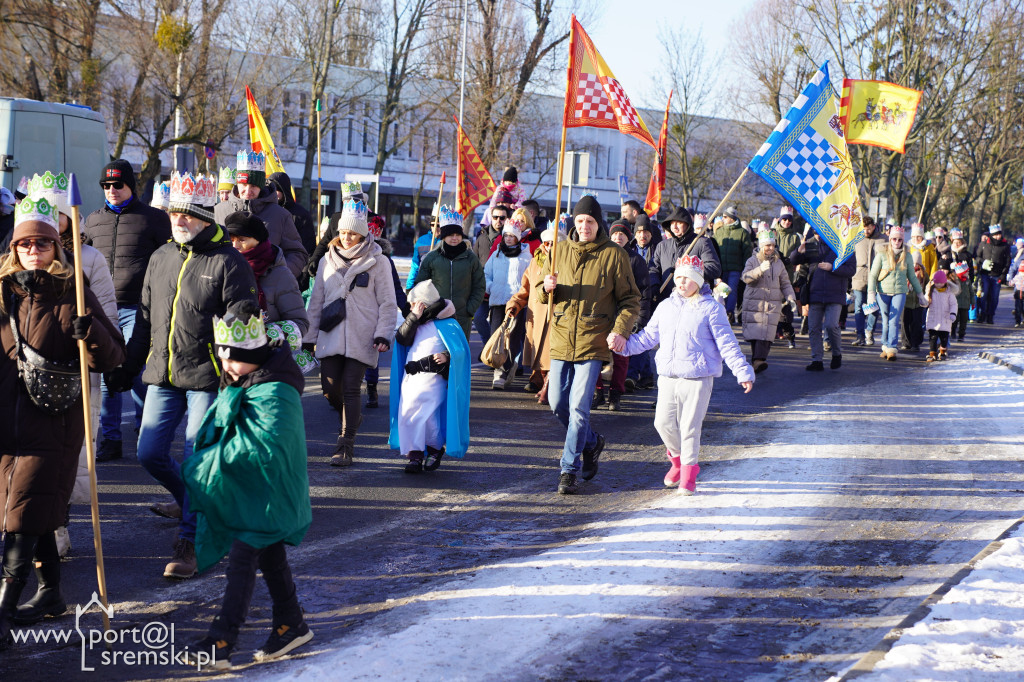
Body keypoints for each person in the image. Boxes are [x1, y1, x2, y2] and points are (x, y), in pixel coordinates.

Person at [104, 171, 258, 579]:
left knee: (196, 460)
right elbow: (144, 321)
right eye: (174, 212)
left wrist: (236, 367)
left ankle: (190, 542)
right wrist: (126, 367)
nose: (179, 220)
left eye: (188, 214)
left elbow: (243, 319)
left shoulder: (229, 262)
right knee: (148, 452)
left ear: (207, 218)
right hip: (163, 374)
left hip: (208, 377)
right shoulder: (161, 257)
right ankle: (192, 501)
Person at [0, 195, 125, 650]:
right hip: (6, 421)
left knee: (23, 516)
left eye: (44, 243)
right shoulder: (2, 292)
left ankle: (4, 612)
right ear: (14, 248)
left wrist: (89, 333)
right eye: (26, 243)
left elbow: (114, 357)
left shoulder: (73, 293)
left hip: (53, 421)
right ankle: (51, 592)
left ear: (57, 247)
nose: (34, 251)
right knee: (29, 510)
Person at [182, 302, 313, 670]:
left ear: (255, 355)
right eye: (224, 361)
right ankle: (292, 624)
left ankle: (222, 640)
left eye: (234, 360)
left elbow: (265, 448)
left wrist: (209, 462)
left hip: (269, 491)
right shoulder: (245, 379)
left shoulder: (276, 392)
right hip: (254, 493)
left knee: (242, 560)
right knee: (269, 555)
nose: (227, 368)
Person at [30, 171, 118, 555]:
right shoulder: (19, 255)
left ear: (69, 217)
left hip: (71, 373)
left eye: (58, 213)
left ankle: (58, 528)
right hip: (26, 375)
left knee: (68, 454)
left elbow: (108, 317)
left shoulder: (89, 258)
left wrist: (91, 332)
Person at [619, 255, 754, 494]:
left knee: (690, 426)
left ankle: (689, 476)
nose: (681, 283)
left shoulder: (711, 308)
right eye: (678, 278)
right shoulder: (665, 306)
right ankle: (677, 462)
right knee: (662, 423)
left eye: (688, 278)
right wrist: (625, 346)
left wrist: (742, 371)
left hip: (698, 378)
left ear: (698, 280)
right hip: (669, 376)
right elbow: (649, 337)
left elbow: (727, 343)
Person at [539, 195, 640, 494]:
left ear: (599, 225)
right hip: (560, 337)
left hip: (593, 339)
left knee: (579, 407)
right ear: (574, 222)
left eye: (591, 222)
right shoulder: (558, 250)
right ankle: (592, 443)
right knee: (558, 403)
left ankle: (568, 469)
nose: (585, 226)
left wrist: (621, 330)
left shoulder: (614, 255)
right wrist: (547, 288)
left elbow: (630, 299)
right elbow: (542, 293)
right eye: (580, 221)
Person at [83, 159, 172, 463]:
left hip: (139, 307)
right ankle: (110, 438)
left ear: (130, 186)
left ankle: (147, 432)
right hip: (103, 307)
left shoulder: (155, 219)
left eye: (117, 185)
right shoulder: (93, 221)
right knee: (107, 371)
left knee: (134, 371)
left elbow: (169, 259)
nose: (111, 190)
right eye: (106, 186)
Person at [303, 198, 397, 467]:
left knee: (353, 389)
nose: (346, 238)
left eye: (352, 233)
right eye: (342, 232)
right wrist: (310, 337)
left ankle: (345, 445)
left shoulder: (379, 262)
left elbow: (388, 302)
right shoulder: (326, 260)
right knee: (331, 388)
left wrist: (383, 334)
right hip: (330, 333)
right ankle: (352, 418)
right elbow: (317, 300)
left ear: (363, 233)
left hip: (363, 334)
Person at [389, 280, 471, 474]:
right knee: (408, 414)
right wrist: (413, 317)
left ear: (423, 304)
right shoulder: (415, 322)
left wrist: (447, 356)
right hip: (411, 378)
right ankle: (414, 455)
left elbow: (460, 352)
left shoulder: (448, 324)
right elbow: (402, 338)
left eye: (414, 304)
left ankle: (434, 450)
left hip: (434, 380)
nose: (411, 307)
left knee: (429, 417)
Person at [213, 151, 308, 279]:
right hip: (224, 286)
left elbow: (297, 253)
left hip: (266, 290)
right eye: (244, 185)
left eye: (253, 186)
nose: (247, 191)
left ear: (261, 185)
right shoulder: (218, 211)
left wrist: (280, 275)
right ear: (237, 183)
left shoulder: (280, 215)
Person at [224, 211, 309, 342]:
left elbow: (300, 323)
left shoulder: (280, 275)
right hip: (225, 354)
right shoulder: (222, 269)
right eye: (231, 240)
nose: (235, 246)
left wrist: (265, 334)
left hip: (268, 356)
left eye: (242, 240)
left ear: (258, 240)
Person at [595, 221, 649, 410]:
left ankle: (616, 394)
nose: (618, 238)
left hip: (623, 315)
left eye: (622, 235)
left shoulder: (636, 260)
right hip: (602, 313)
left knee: (620, 356)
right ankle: (597, 392)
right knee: (596, 355)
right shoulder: (601, 255)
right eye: (615, 234)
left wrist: (636, 319)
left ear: (629, 238)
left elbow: (642, 293)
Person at [506, 225, 563, 400]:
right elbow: (525, 289)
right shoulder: (534, 262)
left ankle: (548, 387)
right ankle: (537, 378)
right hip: (536, 315)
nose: (550, 246)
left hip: (556, 315)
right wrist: (515, 303)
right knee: (537, 349)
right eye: (547, 243)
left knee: (551, 352)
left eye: (555, 243)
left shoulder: (567, 263)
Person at [414, 207, 486, 341]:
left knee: (459, 353)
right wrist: (430, 309)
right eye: (450, 235)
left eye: (457, 235)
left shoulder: (471, 259)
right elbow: (421, 285)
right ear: (444, 236)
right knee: (437, 354)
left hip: (462, 317)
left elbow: (479, 285)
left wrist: (469, 309)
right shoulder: (432, 258)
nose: (455, 238)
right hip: (437, 316)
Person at [790, 231, 856, 371]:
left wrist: (832, 268)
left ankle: (837, 354)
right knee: (813, 327)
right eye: (815, 231)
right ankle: (817, 360)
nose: (817, 234)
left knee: (831, 325)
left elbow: (851, 269)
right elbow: (793, 261)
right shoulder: (812, 245)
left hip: (835, 294)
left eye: (819, 231)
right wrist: (799, 250)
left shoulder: (843, 246)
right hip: (815, 293)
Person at [364, 212, 410, 409]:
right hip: (353, 310)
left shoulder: (385, 261)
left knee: (371, 351)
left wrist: (408, 311)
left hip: (375, 312)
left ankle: (372, 387)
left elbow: (395, 290)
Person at [484, 217, 532, 390]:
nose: (509, 239)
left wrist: (522, 296)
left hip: (517, 303)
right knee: (496, 336)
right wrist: (491, 287)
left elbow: (530, 279)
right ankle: (501, 369)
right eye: (506, 236)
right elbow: (486, 274)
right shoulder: (497, 253)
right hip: (497, 302)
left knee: (511, 339)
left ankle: (503, 372)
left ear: (518, 237)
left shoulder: (527, 257)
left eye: (512, 236)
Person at [740, 231, 796, 373]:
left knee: (767, 334)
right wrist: (759, 270)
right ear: (761, 245)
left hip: (772, 303)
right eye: (767, 245)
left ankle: (759, 360)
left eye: (772, 245)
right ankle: (757, 360)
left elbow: (785, 283)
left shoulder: (779, 263)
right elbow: (746, 278)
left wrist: (790, 297)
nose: (770, 248)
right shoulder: (752, 261)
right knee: (757, 333)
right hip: (755, 303)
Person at [868, 225, 925, 361]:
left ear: (902, 240)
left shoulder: (908, 256)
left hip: (899, 292)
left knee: (894, 321)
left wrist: (920, 294)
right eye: (894, 239)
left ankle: (892, 348)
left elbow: (912, 276)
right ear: (890, 238)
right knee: (886, 320)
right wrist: (871, 293)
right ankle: (885, 344)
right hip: (882, 292)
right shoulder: (881, 254)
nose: (896, 242)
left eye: (899, 240)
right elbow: (873, 275)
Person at [652, 206, 722, 305]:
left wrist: (688, 271)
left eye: (679, 223)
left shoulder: (702, 242)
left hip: (694, 301)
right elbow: (654, 268)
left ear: (687, 224)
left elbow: (714, 268)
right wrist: (654, 285)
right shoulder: (662, 246)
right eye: (672, 223)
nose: (675, 226)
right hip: (668, 300)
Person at [625, 216, 658, 391]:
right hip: (632, 299)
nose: (642, 235)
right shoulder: (629, 251)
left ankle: (632, 375)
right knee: (636, 336)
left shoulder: (657, 250)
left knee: (642, 336)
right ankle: (646, 376)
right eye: (639, 231)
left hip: (651, 299)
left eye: (645, 231)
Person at [471, 203, 508, 343]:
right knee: (479, 318)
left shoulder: (510, 237)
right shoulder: (482, 236)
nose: (499, 220)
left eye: (502, 218)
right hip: (483, 287)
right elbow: (474, 261)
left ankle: (495, 353)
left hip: (502, 288)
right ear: (490, 218)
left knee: (496, 324)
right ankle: (488, 347)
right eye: (495, 217)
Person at [713, 206, 753, 325]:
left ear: (731, 218)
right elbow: (714, 249)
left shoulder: (743, 233)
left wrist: (745, 268)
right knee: (721, 291)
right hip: (721, 269)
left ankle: (729, 313)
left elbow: (747, 253)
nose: (723, 218)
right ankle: (722, 312)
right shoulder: (719, 232)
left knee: (731, 291)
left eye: (725, 216)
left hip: (736, 269)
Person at [851, 217, 885, 346]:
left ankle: (869, 331)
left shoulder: (882, 239)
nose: (866, 231)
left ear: (873, 226)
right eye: (864, 229)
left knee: (873, 308)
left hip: (877, 278)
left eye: (868, 228)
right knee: (859, 307)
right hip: (859, 276)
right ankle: (860, 335)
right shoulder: (856, 239)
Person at [267, 171, 316, 256]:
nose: (274, 193)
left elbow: (308, 246)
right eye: (271, 190)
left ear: (284, 190)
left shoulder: (301, 215)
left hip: (292, 263)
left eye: (277, 189)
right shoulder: (264, 211)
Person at [974, 224, 1010, 324]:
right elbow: (977, 257)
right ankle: (983, 314)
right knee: (983, 295)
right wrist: (983, 262)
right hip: (985, 274)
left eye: (999, 234)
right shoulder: (984, 244)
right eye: (996, 235)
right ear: (992, 235)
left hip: (997, 275)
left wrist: (1003, 275)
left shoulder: (1005, 245)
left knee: (994, 297)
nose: (998, 236)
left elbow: (1007, 261)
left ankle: (990, 315)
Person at [924, 270, 958, 361]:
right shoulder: (931, 291)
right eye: (936, 283)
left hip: (945, 319)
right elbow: (926, 300)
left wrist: (953, 313)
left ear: (944, 282)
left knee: (944, 338)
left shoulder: (949, 293)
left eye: (940, 283)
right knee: (933, 337)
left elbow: (953, 304)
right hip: (933, 318)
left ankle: (942, 352)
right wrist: (923, 301)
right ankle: (932, 353)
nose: (938, 285)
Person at [947, 228, 975, 341]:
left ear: (962, 242)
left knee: (964, 318)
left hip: (965, 284)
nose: (957, 244)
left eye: (959, 242)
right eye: (955, 242)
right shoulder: (949, 254)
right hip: (953, 283)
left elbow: (971, 269)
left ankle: (961, 334)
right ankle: (952, 331)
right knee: (955, 316)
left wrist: (971, 279)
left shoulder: (967, 254)